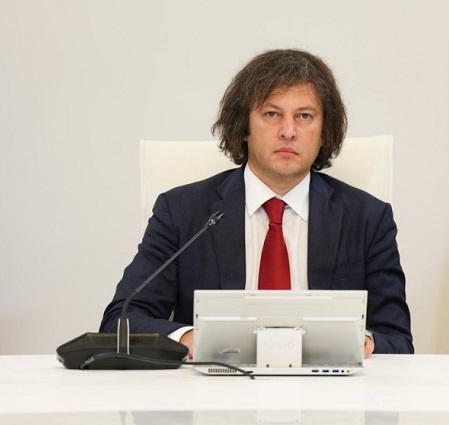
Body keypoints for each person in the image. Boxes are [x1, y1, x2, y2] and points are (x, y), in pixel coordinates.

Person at [100, 49, 413, 358]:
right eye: (272, 114)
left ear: (323, 133)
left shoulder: (368, 218)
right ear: (244, 127)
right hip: (218, 382)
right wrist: (189, 338)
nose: (288, 132)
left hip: (326, 385)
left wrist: (365, 342)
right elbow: (120, 321)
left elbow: (398, 340)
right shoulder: (183, 212)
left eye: (304, 116)